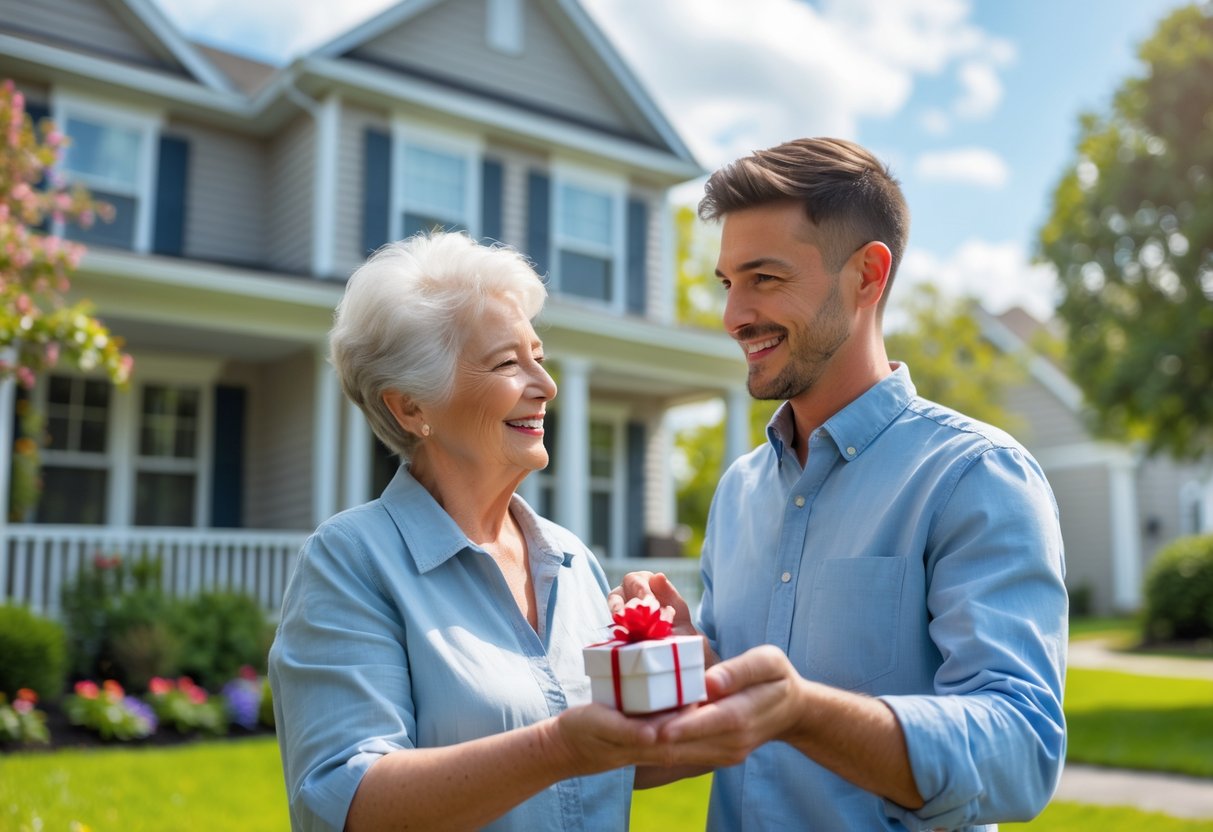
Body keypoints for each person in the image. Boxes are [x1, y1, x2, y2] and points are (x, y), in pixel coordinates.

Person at [617, 138, 1068, 830]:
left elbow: (1020, 749)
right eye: (726, 282)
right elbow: (732, 718)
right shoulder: (739, 492)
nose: (732, 316)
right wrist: (693, 662)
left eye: (764, 278)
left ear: (866, 275)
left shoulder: (971, 476)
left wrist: (803, 711)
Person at [268, 232, 670, 832]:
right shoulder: (352, 561)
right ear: (410, 407)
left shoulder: (570, 559)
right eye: (509, 363)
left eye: (539, 355)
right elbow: (346, 799)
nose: (545, 384)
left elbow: (613, 757)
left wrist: (686, 681)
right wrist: (561, 747)